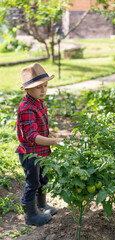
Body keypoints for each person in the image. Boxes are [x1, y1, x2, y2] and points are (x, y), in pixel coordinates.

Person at [16, 63, 63, 226]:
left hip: (41, 151)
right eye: (38, 87)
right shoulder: (26, 107)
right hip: (30, 153)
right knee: (33, 182)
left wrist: (49, 141)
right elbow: (32, 136)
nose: (43, 90)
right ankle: (30, 214)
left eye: (45, 86)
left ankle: (41, 205)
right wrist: (53, 141)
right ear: (27, 89)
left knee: (43, 178)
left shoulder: (38, 101)